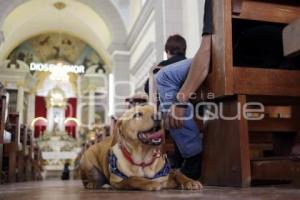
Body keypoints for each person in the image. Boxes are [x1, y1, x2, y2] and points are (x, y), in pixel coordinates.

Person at [155, 0, 212, 180]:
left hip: (233, 53)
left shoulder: (160, 66)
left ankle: (191, 156)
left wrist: (180, 101)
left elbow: (208, 47)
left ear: (167, 50)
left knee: (163, 78)